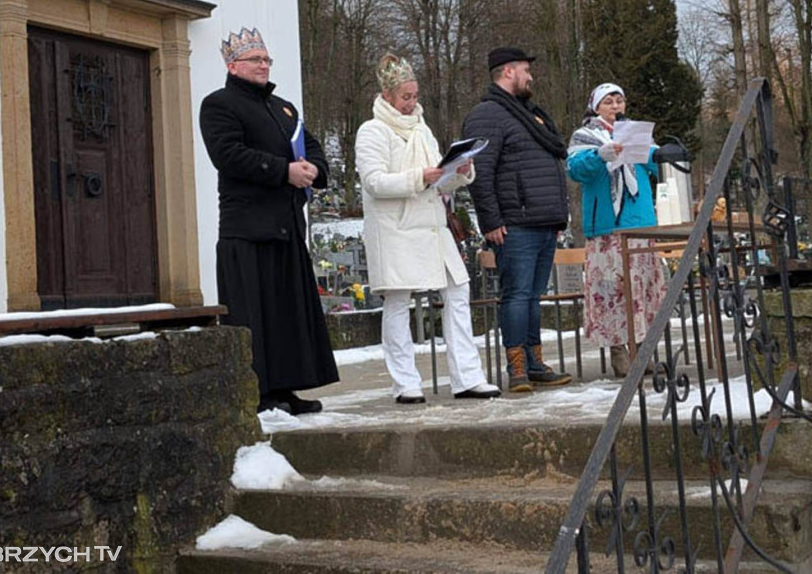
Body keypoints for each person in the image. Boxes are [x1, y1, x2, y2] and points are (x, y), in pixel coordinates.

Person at [199, 27, 339, 414]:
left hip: (287, 226)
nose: (263, 65)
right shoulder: (218, 105)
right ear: (233, 65)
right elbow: (228, 155)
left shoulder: (284, 109)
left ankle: (287, 388)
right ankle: (257, 395)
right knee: (253, 316)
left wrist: (315, 169)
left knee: (285, 313)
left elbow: (312, 148)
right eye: (255, 60)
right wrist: (283, 171)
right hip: (248, 228)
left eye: (266, 59)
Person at [355, 53, 500, 404]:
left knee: (457, 292)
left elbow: (438, 180)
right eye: (405, 97)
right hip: (396, 230)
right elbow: (374, 182)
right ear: (387, 95)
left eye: (415, 96)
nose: (412, 103)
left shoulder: (422, 129)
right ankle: (405, 383)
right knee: (398, 301)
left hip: (432, 227)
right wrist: (420, 177)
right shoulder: (372, 131)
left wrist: (459, 173)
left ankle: (467, 376)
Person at [461, 47, 572, 393]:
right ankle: (517, 366)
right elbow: (480, 172)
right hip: (515, 222)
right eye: (525, 70)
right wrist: (490, 220)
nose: (530, 77)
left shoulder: (527, 114)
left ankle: (535, 361)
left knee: (534, 295)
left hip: (542, 220)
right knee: (518, 294)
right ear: (508, 71)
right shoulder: (488, 115)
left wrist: (556, 215)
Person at [566, 83, 669, 377]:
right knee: (613, 288)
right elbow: (576, 170)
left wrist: (658, 155)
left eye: (619, 100)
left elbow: (654, 169)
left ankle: (642, 349)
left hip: (639, 221)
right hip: (607, 224)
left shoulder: (635, 132)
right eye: (608, 101)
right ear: (596, 107)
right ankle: (618, 350)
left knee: (641, 288)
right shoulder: (584, 136)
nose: (615, 106)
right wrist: (601, 155)